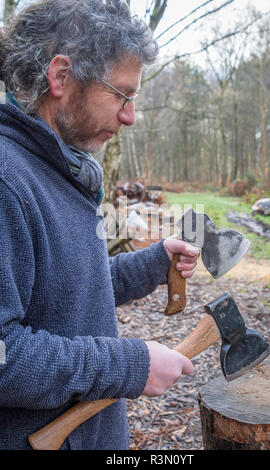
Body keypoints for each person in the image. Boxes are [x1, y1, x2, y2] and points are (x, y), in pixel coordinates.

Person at [0, 0, 199, 450]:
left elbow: (61, 291)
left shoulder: (59, 170)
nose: (128, 116)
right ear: (61, 77)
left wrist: (153, 263)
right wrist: (127, 365)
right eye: (122, 95)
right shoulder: (8, 181)